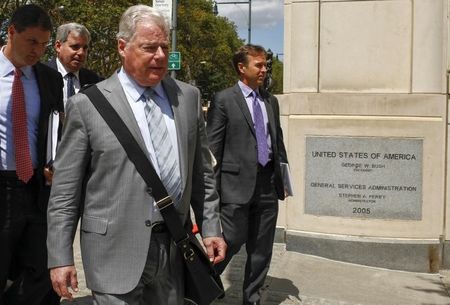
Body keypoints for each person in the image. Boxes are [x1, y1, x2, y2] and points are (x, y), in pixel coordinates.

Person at [47, 4, 226, 305]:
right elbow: (65, 193)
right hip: (112, 253)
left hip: (173, 250)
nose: (159, 55)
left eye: (164, 47)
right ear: (122, 46)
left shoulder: (189, 98)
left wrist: (211, 228)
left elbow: (202, 175)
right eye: (149, 47)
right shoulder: (87, 105)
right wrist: (60, 257)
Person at [206, 44, 289, 305]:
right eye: (259, 65)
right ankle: (199, 289)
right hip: (234, 187)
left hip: (267, 186)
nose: (264, 69)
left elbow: (278, 142)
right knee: (228, 243)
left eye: (265, 65)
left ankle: (251, 299)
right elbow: (212, 150)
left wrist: (283, 179)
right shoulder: (224, 99)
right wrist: (210, 193)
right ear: (242, 68)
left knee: (262, 250)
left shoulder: (270, 101)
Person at [0, 4, 63, 305]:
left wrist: (55, 161)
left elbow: (57, 128)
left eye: (44, 44)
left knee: (43, 270)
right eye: (32, 42)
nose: (38, 51)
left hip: (37, 188)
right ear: (11, 32)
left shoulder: (49, 80)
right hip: (2, 186)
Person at [46, 22, 103, 171]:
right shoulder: (41, 77)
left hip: (84, 166)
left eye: (85, 48)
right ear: (58, 46)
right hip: (48, 169)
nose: (81, 53)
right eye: (75, 47)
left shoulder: (95, 81)